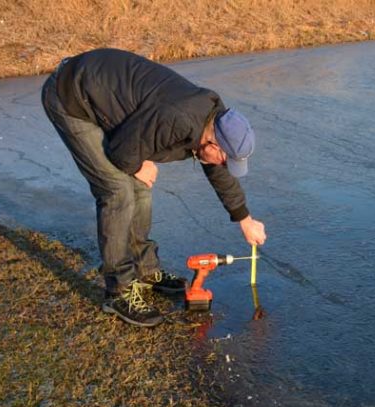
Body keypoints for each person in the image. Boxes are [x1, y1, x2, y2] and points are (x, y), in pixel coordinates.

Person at [41, 48, 266, 328]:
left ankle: (145, 271)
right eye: (225, 160)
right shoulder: (179, 119)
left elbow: (216, 170)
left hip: (110, 99)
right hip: (72, 96)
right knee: (118, 190)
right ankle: (118, 291)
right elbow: (123, 151)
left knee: (140, 185)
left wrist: (244, 219)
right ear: (213, 144)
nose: (223, 166)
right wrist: (137, 164)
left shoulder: (214, 123)